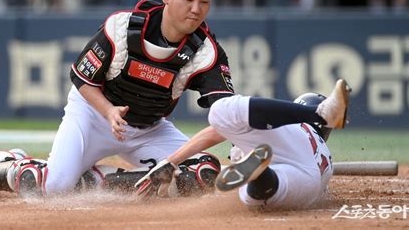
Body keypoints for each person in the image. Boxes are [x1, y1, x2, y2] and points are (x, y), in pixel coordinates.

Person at [0, 0, 232, 198]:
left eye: (205, 1)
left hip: (150, 128)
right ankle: (7, 165)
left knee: (201, 174)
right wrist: (108, 111)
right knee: (53, 188)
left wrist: (180, 158)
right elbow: (81, 77)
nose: (196, 9)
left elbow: (227, 115)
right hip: (93, 115)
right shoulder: (123, 27)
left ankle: (96, 179)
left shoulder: (206, 52)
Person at [135, 79, 350, 209]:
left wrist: (172, 161)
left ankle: (320, 113)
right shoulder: (325, 153)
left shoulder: (296, 127)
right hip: (312, 183)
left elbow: (215, 132)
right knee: (259, 195)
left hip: (292, 143)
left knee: (221, 112)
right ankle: (260, 175)